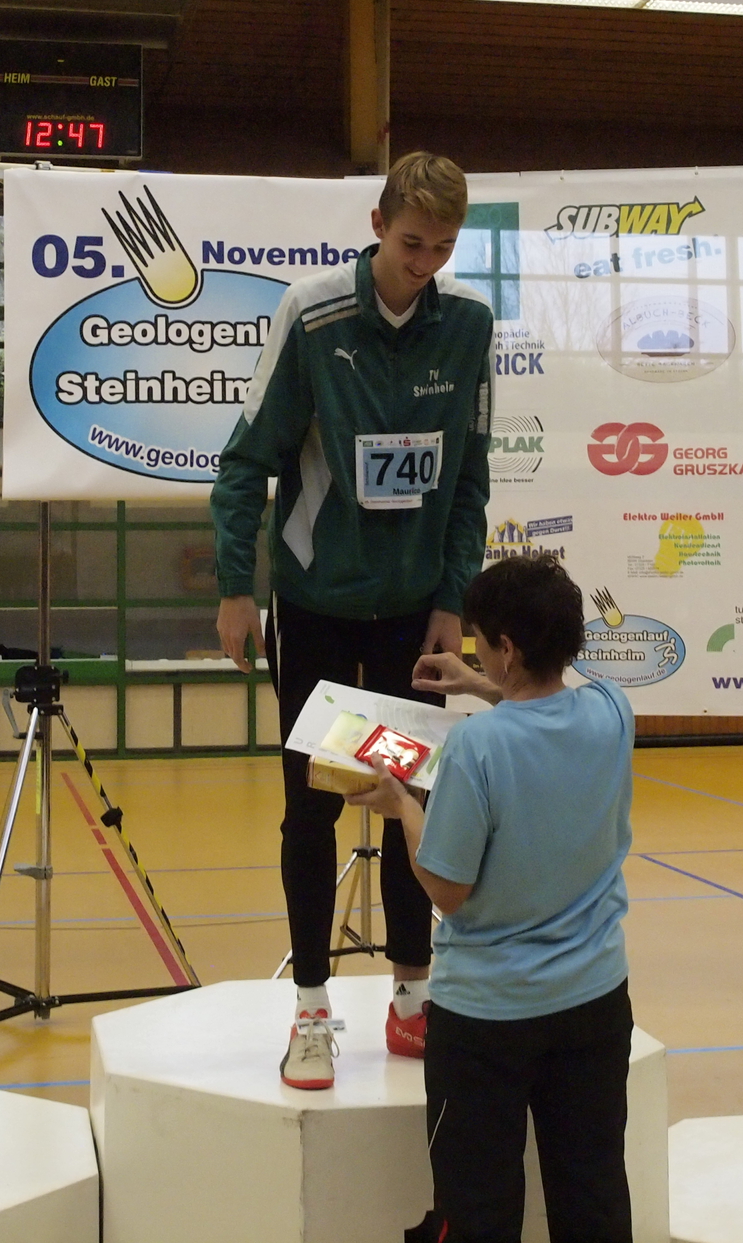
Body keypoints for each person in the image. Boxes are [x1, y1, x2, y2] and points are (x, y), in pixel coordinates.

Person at [210, 150, 493, 1090]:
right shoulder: (314, 314)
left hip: (411, 615)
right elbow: (246, 461)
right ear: (377, 225)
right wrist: (236, 587)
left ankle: (414, 998)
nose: (425, 263)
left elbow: (469, 478)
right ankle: (310, 1010)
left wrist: (451, 600)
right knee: (313, 806)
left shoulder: (470, 325)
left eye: (442, 249)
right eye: (412, 243)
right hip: (317, 606)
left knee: (414, 799)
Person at [350, 553, 634, 1243]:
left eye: (481, 643)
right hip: (595, 1003)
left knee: (476, 1211)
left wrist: (401, 806)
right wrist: (481, 683)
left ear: (508, 647)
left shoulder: (476, 747)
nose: (475, 649)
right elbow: (545, 712)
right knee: (594, 1197)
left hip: (488, 1021)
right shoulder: (612, 709)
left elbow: (448, 888)